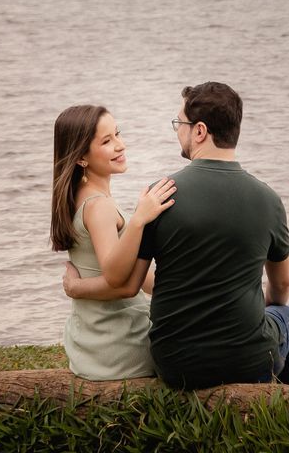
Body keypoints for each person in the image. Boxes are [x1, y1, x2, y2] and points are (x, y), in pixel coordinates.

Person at [64, 82, 289, 390]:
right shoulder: (269, 200)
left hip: (174, 363)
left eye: (179, 124)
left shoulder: (161, 194)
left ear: (199, 132)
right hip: (248, 360)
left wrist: (77, 287)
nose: (176, 131)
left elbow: (132, 281)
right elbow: (282, 285)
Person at [51, 104, 176, 380]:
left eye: (117, 134)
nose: (121, 145)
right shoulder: (99, 207)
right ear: (82, 157)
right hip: (122, 348)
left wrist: (190, 286)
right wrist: (139, 220)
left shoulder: (79, 198)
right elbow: (117, 276)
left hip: (89, 347)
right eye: (107, 141)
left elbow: (137, 278)